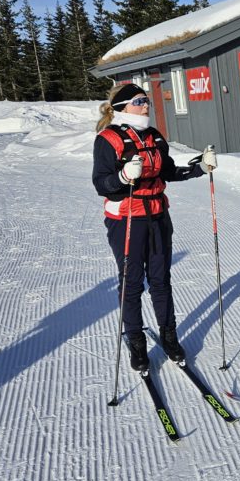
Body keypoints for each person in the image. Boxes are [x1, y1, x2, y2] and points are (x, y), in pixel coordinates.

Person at [92, 82, 217, 372]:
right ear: (123, 107)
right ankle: (136, 341)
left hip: (158, 215)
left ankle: (169, 336)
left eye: (146, 100)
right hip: (126, 218)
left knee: (161, 280)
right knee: (132, 282)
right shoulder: (108, 139)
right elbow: (101, 183)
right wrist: (123, 177)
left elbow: (169, 171)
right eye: (139, 101)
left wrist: (200, 167)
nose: (145, 104)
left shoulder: (154, 136)